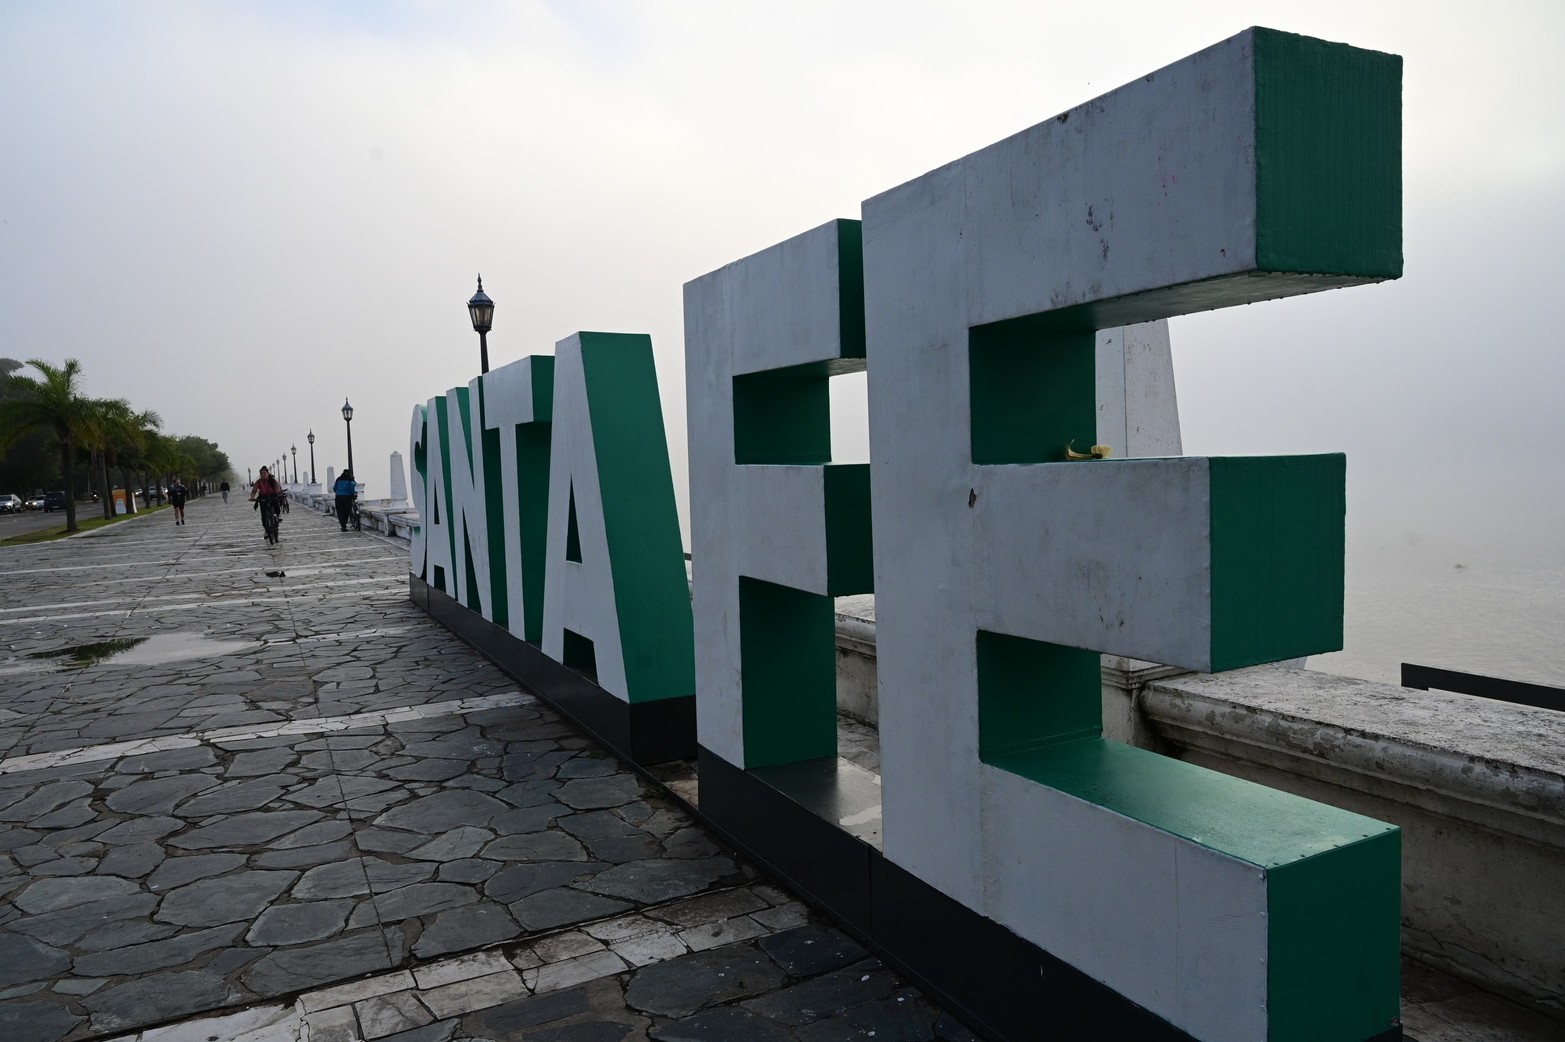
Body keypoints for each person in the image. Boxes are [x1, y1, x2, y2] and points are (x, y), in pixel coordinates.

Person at [250, 466, 283, 535]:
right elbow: (254, 490)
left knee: (276, 505)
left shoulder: (273, 481)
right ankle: (266, 529)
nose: (263, 475)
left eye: (264, 473)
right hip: (263, 497)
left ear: (267, 473)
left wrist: (278, 494)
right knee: (264, 514)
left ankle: (278, 515)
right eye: (261, 473)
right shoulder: (258, 482)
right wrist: (252, 497)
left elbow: (277, 488)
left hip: (273, 495)